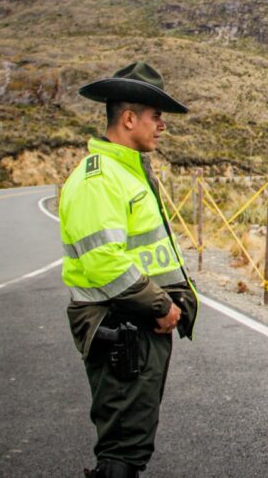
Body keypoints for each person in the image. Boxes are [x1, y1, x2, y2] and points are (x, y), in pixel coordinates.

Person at [60, 62, 199, 478]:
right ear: (128, 118)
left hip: (137, 328)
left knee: (133, 441)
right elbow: (104, 260)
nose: (162, 126)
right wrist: (160, 305)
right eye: (156, 117)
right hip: (122, 327)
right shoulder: (100, 179)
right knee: (123, 449)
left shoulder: (128, 172)